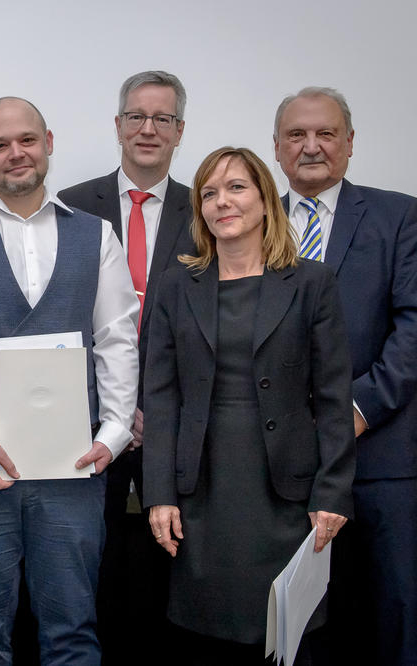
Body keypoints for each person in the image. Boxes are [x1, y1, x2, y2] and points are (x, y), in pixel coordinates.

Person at [0, 96, 139, 665]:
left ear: (49, 142)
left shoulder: (98, 234)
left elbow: (115, 338)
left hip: (76, 465)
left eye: (27, 140)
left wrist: (113, 434)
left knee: (73, 634)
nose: (16, 154)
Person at [143, 146, 355, 664]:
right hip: (203, 492)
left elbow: (332, 399)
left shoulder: (312, 283)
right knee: (205, 632)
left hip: (285, 493)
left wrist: (333, 493)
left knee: (286, 636)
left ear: (265, 199)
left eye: (236, 187)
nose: (222, 202)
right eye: (209, 193)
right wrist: (159, 494)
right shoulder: (174, 285)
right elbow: (161, 397)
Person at [273, 86, 417, 666]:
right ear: (277, 149)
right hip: (281, 469)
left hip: (381, 459)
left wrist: (355, 410)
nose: (311, 147)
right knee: (302, 628)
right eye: (296, 135)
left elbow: (412, 329)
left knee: (393, 614)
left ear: (350, 144)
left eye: (325, 133)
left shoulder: (399, 215)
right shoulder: (249, 223)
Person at [57, 70, 194, 662]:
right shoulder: (70, 206)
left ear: (180, 131)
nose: (148, 128)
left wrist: (152, 407)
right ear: (117, 126)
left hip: (180, 422)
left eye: (162, 119)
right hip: (88, 422)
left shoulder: (206, 208)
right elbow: (60, 317)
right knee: (95, 564)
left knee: (176, 567)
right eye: (136, 116)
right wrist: (114, 409)